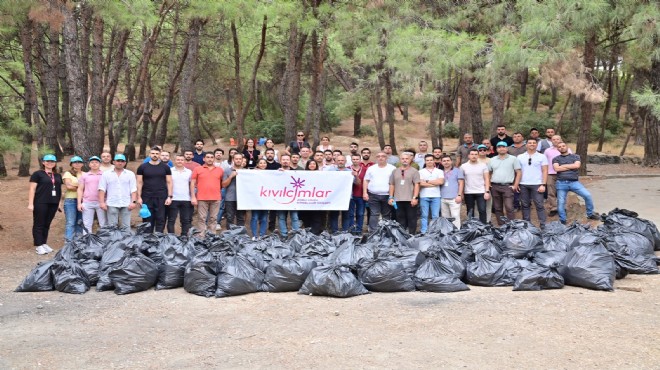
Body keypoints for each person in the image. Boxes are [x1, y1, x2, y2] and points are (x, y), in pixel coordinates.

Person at [553, 142, 600, 224]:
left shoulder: (576, 156)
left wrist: (563, 166)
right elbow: (557, 169)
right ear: (557, 149)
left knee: (587, 195)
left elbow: (577, 166)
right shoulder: (556, 158)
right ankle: (563, 220)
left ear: (567, 147)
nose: (562, 147)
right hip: (561, 183)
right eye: (559, 147)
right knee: (560, 202)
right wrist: (570, 166)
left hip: (574, 182)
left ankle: (590, 214)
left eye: (563, 146)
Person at [28, 154, 63, 254]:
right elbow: (32, 189)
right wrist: (31, 203)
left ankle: (44, 243)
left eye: (52, 161)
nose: (50, 163)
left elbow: (59, 190)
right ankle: (38, 245)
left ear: (55, 163)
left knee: (47, 223)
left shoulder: (57, 175)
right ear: (43, 162)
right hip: (41, 202)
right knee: (39, 223)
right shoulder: (37, 174)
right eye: (47, 161)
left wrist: (59, 203)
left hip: (53, 203)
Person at [137, 147, 173, 233]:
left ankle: (158, 238)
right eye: (153, 153)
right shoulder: (142, 167)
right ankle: (147, 239)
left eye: (157, 154)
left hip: (162, 197)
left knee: (161, 219)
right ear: (149, 155)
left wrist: (169, 196)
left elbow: (169, 182)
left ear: (159, 155)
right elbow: (139, 182)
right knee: (147, 219)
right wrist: (139, 197)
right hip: (146, 197)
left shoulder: (166, 167)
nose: (155, 155)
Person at [99, 154, 137, 228]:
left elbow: (133, 189)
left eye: (122, 161)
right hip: (112, 203)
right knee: (112, 226)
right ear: (114, 162)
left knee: (126, 226)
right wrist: (102, 203)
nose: (120, 163)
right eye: (118, 161)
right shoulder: (106, 174)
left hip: (126, 203)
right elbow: (102, 189)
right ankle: (113, 240)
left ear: (125, 163)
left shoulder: (130, 174)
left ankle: (126, 239)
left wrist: (133, 202)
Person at [517, 137, 548, 229]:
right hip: (523, 184)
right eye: (530, 143)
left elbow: (545, 171)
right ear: (526, 145)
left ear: (536, 145)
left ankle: (543, 225)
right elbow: (518, 171)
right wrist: (517, 183)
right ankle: (527, 225)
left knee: (539, 205)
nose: (532, 144)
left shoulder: (542, 156)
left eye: (534, 143)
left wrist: (543, 184)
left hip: (537, 184)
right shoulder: (520, 157)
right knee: (525, 205)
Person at [488, 141, 522, 225]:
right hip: (495, 186)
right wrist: (489, 184)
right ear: (496, 149)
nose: (501, 148)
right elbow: (489, 173)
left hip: (508, 186)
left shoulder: (513, 159)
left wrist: (515, 185)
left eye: (503, 147)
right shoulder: (492, 160)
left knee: (509, 207)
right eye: (499, 147)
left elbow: (518, 172)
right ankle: (502, 225)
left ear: (507, 148)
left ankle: (511, 226)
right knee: (497, 208)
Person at [190, 152, 224, 234]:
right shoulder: (198, 169)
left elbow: (221, 183)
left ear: (214, 159)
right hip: (202, 198)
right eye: (208, 157)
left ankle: (211, 236)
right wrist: (193, 197)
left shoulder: (220, 170)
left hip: (216, 198)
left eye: (212, 157)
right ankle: (201, 237)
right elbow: (192, 183)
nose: (210, 159)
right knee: (202, 218)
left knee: (213, 218)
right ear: (204, 159)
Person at [363, 152, 396, 233]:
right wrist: (365, 192)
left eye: (383, 156)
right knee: (374, 214)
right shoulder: (371, 168)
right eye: (378, 156)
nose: (381, 158)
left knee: (386, 214)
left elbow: (395, 182)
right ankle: (372, 232)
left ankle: (386, 232)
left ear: (386, 158)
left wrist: (392, 196)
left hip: (387, 195)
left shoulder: (392, 168)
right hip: (373, 195)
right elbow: (366, 180)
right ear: (376, 158)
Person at [388, 152, 420, 234]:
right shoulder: (395, 171)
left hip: (410, 199)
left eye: (407, 159)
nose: (405, 160)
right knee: (400, 219)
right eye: (403, 159)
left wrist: (415, 197)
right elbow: (392, 184)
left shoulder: (414, 171)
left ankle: (412, 236)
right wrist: (391, 197)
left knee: (412, 219)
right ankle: (402, 236)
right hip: (398, 199)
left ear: (410, 160)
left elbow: (417, 184)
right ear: (400, 160)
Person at [77, 156, 107, 234]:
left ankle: (105, 242)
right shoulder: (84, 176)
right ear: (89, 164)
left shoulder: (105, 175)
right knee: (87, 225)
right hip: (87, 202)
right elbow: (80, 189)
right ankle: (87, 243)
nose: (94, 164)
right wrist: (79, 203)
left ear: (100, 164)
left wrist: (106, 202)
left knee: (103, 224)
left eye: (96, 162)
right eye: (92, 162)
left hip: (101, 203)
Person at [460, 149, 490, 223]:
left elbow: (487, 179)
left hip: (481, 191)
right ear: (469, 156)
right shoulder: (463, 166)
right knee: (470, 211)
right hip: (468, 192)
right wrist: (461, 193)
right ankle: (471, 227)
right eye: (472, 154)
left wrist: (487, 191)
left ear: (478, 155)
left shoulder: (483, 166)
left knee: (482, 210)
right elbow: (461, 180)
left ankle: (484, 227)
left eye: (476, 154)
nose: (474, 156)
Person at [168, 154, 193, 236]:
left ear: (184, 161)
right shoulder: (170, 171)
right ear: (174, 161)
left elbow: (191, 185)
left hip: (186, 199)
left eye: (182, 160)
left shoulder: (189, 172)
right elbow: (167, 184)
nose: (180, 161)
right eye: (178, 159)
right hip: (173, 198)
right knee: (171, 220)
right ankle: (171, 237)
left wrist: (192, 196)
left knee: (185, 220)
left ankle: (184, 237)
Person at [418, 154, 444, 234]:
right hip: (424, 196)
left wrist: (427, 181)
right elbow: (421, 184)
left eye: (431, 160)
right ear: (425, 161)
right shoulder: (421, 171)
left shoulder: (439, 171)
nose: (429, 162)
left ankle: (434, 231)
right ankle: (424, 231)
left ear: (434, 161)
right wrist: (434, 183)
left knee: (435, 216)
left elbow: (441, 182)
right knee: (424, 215)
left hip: (436, 196)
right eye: (427, 160)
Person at [544, 134, 569, 217]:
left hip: (563, 173)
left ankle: (563, 208)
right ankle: (554, 208)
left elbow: (571, 160)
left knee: (563, 191)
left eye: (557, 139)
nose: (555, 141)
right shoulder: (547, 150)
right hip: (551, 173)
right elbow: (544, 162)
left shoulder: (566, 149)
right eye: (553, 139)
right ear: (551, 140)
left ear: (561, 139)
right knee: (551, 192)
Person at [276, 160, 301, 237]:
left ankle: (296, 235)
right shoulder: (276, 172)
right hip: (280, 198)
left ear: (289, 161)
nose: (285, 161)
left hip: (293, 198)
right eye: (283, 160)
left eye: (287, 160)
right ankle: (284, 235)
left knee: (295, 217)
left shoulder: (295, 172)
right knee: (281, 217)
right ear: (281, 161)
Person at [62, 156, 85, 240]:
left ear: (82, 164)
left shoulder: (85, 174)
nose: (77, 164)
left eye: (79, 162)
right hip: (70, 200)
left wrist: (75, 185)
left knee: (80, 222)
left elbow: (88, 187)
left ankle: (78, 241)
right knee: (70, 222)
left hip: (82, 200)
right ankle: (69, 243)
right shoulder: (68, 173)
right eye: (75, 162)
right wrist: (81, 188)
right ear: (71, 164)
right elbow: (68, 186)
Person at [299, 160, 325, 234]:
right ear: (307, 165)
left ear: (316, 165)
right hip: (306, 199)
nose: (312, 165)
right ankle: (308, 231)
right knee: (306, 216)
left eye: (314, 164)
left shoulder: (321, 175)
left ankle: (316, 232)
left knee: (316, 216)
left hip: (317, 199)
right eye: (310, 164)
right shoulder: (302, 174)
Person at [329, 155, 352, 233]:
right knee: (334, 215)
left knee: (346, 215)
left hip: (347, 197)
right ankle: (334, 232)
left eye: (342, 160)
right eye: (338, 160)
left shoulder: (350, 171)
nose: (340, 162)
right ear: (335, 161)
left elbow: (357, 183)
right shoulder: (330, 171)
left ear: (345, 161)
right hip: (334, 197)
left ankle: (345, 232)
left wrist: (356, 176)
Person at [222, 153, 246, 228]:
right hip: (230, 198)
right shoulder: (227, 170)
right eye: (236, 159)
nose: (238, 160)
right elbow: (224, 185)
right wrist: (230, 177)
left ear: (242, 160)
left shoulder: (246, 172)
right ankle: (230, 235)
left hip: (242, 198)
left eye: (240, 159)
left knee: (241, 218)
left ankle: (240, 235)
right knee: (230, 218)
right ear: (233, 160)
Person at [440, 155, 464, 229]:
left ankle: (456, 233)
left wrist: (459, 195)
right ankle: (447, 233)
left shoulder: (457, 170)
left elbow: (461, 183)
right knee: (445, 217)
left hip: (454, 198)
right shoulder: (440, 172)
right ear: (441, 162)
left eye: (448, 160)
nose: (446, 162)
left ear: (451, 161)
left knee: (455, 217)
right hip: (443, 198)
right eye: (444, 161)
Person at [250, 158, 269, 239]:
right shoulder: (252, 173)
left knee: (264, 218)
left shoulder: (270, 173)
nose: (262, 164)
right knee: (255, 217)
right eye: (260, 163)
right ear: (257, 164)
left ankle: (262, 235)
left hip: (266, 199)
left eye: (264, 163)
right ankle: (254, 235)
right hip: (255, 198)